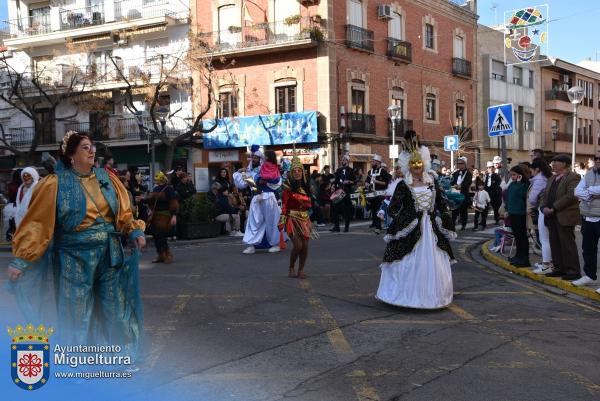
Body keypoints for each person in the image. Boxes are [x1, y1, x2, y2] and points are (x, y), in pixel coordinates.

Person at [7, 131, 146, 360]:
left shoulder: (107, 179)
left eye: (92, 147)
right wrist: (22, 259)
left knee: (116, 309)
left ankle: (124, 356)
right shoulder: (54, 184)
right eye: (85, 147)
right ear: (71, 155)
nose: (92, 151)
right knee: (75, 312)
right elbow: (38, 224)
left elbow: (123, 212)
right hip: (74, 258)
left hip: (110, 255)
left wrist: (134, 230)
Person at [376, 131, 456, 309]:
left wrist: (444, 217)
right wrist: (403, 218)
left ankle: (433, 297)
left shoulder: (432, 182)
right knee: (407, 261)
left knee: (434, 264)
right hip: (411, 228)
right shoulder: (403, 185)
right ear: (408, 166)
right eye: (413, 164)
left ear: (425, 163)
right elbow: (394, 208)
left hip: (431, 228)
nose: (417, 166)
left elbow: (441, 204)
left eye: (419, 163)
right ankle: (404, 297)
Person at [233, 146, 281, 254]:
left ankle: (275, 243)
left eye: (255, 158)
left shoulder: (268, 169)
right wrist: (239, 172)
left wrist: (266, 182)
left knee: (272, 221)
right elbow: (243, 185)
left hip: (268, 197)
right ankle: (252, 245)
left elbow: (277, 182)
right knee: (254, 222)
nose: (253, 159)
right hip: (256, 198)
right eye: (252, 157)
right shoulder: (249, 172)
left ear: (261, 159)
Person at [540, 154, 582, 280]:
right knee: (555, 243)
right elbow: (544, 195)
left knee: (567, 244)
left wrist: (554, 207)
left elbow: (571, 196)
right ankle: (559, 268)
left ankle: (573, 270)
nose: (553, 164)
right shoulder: (552, 178)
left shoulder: (573, 177)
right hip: (551, 216)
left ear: (564, 164)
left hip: (564, 215)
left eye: (555, 162)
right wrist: (543, 207)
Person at [280, 156, 316, 279]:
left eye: (299, 170)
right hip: (292, 219)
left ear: (303, 172)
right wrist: (282, 221)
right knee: (298, 245)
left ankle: (301, 270)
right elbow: (284, 205)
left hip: (305, 219)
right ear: (291, 173)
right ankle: (291, 267)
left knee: (305, 246)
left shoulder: (306, 186)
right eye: (294, 171)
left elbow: (310, 203)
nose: (297, 173)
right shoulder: (287, 188)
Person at [573, 150, 600, 289]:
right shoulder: (590, 174)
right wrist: (592, 193)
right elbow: (577, 191)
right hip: (588, 216)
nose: (598, 160)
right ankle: (589, 276)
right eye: (596, 158)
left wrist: (588, 191)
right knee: (588, 248)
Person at [147, 171, 179, 263]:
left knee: (161, 236)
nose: (155, 181)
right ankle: (160, 255)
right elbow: (151, 201)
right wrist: (143, 199)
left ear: (161, 179)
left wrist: (174, 215)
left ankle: (167, 254)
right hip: (155, 216)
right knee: (156, 236)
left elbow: (174, 202)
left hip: (165, 217)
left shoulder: (168, 189)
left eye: (157, 179)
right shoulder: (156, 188)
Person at [529, 158, 554, 275]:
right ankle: (549, 262)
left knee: (544, 239)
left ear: (537, 169)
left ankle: (546, 265)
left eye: (532, 171)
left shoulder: (539, 180)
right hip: (550, 209)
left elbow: (532, 199)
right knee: (548, 239)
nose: (531, 173)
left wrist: (533, 205)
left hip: (542, 209)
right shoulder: (549, 177)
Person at [506, 165, 530, 267]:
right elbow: (508, 197)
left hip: (520, 213)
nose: (512, 177)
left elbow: (522, 195)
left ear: (520, 175)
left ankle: (524, 258)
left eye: (514, 175)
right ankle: (518, 256)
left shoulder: (524, 185)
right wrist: (507, 209)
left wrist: (520, 183)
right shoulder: (512, 184)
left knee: (522, 237)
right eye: (511, 175)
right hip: (512, 213)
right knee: (517, 236)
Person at [366, 155, 391, 233]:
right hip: (371, 194)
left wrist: (377, 182)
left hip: (380, 194)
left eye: (373, 161)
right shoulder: (370, 172)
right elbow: (367, 181)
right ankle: (376, 225)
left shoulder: (382, 171)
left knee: (378, 210)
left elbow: (387, 182)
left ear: (377, 162)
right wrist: (366, 184)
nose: (372, 163)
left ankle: (378, 227)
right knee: (373, 210)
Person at [330, 154, 356, 232]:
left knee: (346, 209)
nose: (342, 161)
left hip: (346, 192)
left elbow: (355, 181)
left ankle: (346, 227)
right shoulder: (339, 170)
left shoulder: (351, 170)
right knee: (335, 208)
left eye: (344, 160)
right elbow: (336, 180)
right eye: (342, 160)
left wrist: (349, 181)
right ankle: (336, 226)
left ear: (347, 161)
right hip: (339, 191)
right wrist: (333, 186)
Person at [451, 156, 472, 230]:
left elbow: (468, 182)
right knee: (454, 210)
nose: (459, 165)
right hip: (455, 194)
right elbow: (451, 181)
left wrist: (461, 186)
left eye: (461, 163)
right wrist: (453, 185)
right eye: (458, 163)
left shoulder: (468, 173)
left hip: (463, 194)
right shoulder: (455, 173)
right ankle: (452, 224)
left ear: (465, 164)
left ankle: (463, 224)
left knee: (463, 210)